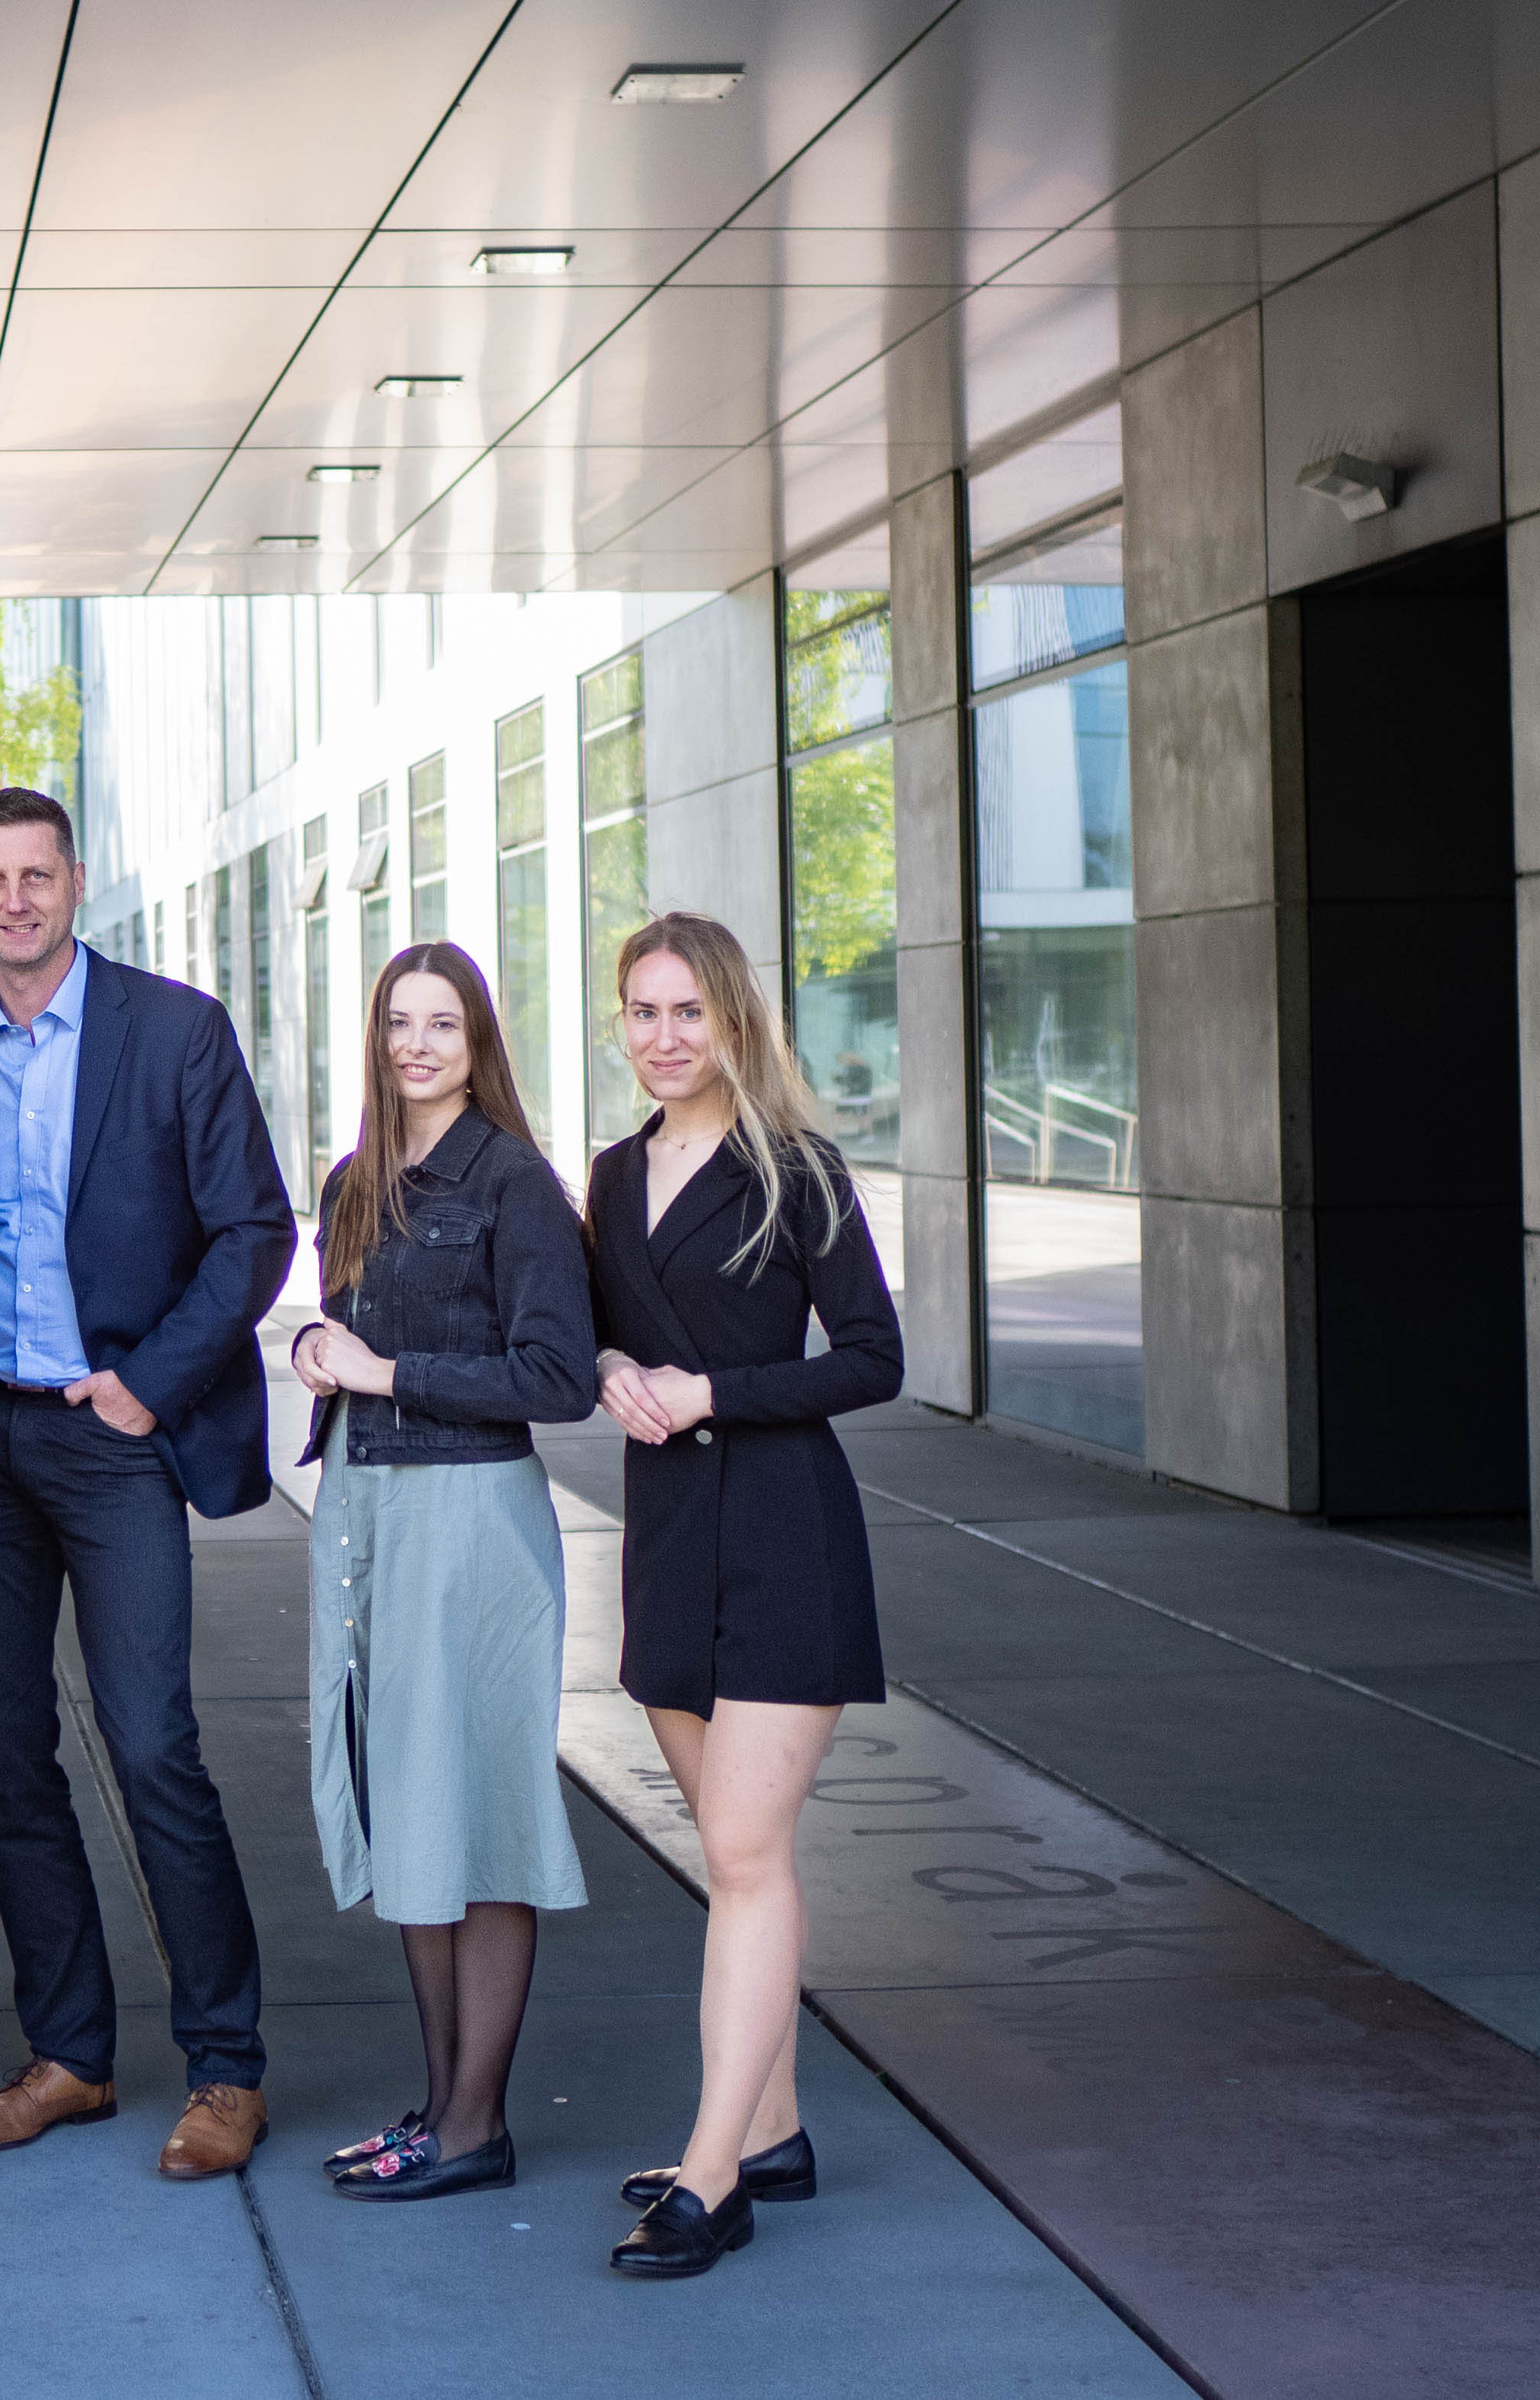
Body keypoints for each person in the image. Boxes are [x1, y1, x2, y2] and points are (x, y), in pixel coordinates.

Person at [0, 788, 296, 2182]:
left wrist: (148, 1383)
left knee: (151, 1744)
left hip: (114, 1433)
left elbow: (254, 1230)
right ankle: (69, 2053)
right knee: (6, 1754)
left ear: (76, 880)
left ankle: (227, 2066)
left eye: (36, 874)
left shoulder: (174, 1029)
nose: (13, 899)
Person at [585, 911, 902, 2280]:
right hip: (667, 1540)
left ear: (733, 1020)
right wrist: (611, 1367)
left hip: (784, 1534)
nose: (665, 1037)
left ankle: (713, 2173)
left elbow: (875, 1356)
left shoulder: (797, 1168)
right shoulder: (611, 1175)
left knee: (745, 1850)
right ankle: (771, 2131)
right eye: (643, 1011)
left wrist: (715, 1389)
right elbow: (595, 1329)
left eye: (688, 1012)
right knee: (733, 1855)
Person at [288, 944, 597, 2203]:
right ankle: (437, 2107)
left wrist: (387, 1373)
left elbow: (558, 1378)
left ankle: (476, 2126)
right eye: (398, 1022)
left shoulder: (515, 1183)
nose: (417, 1044)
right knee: (407, 1800)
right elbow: (355, 1336)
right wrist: (319, 1351)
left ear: (478, 1043)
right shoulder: (352, 1182)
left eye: (443, 1024)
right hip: (367, 1503)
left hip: (472, 1522)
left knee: (483, 1811)